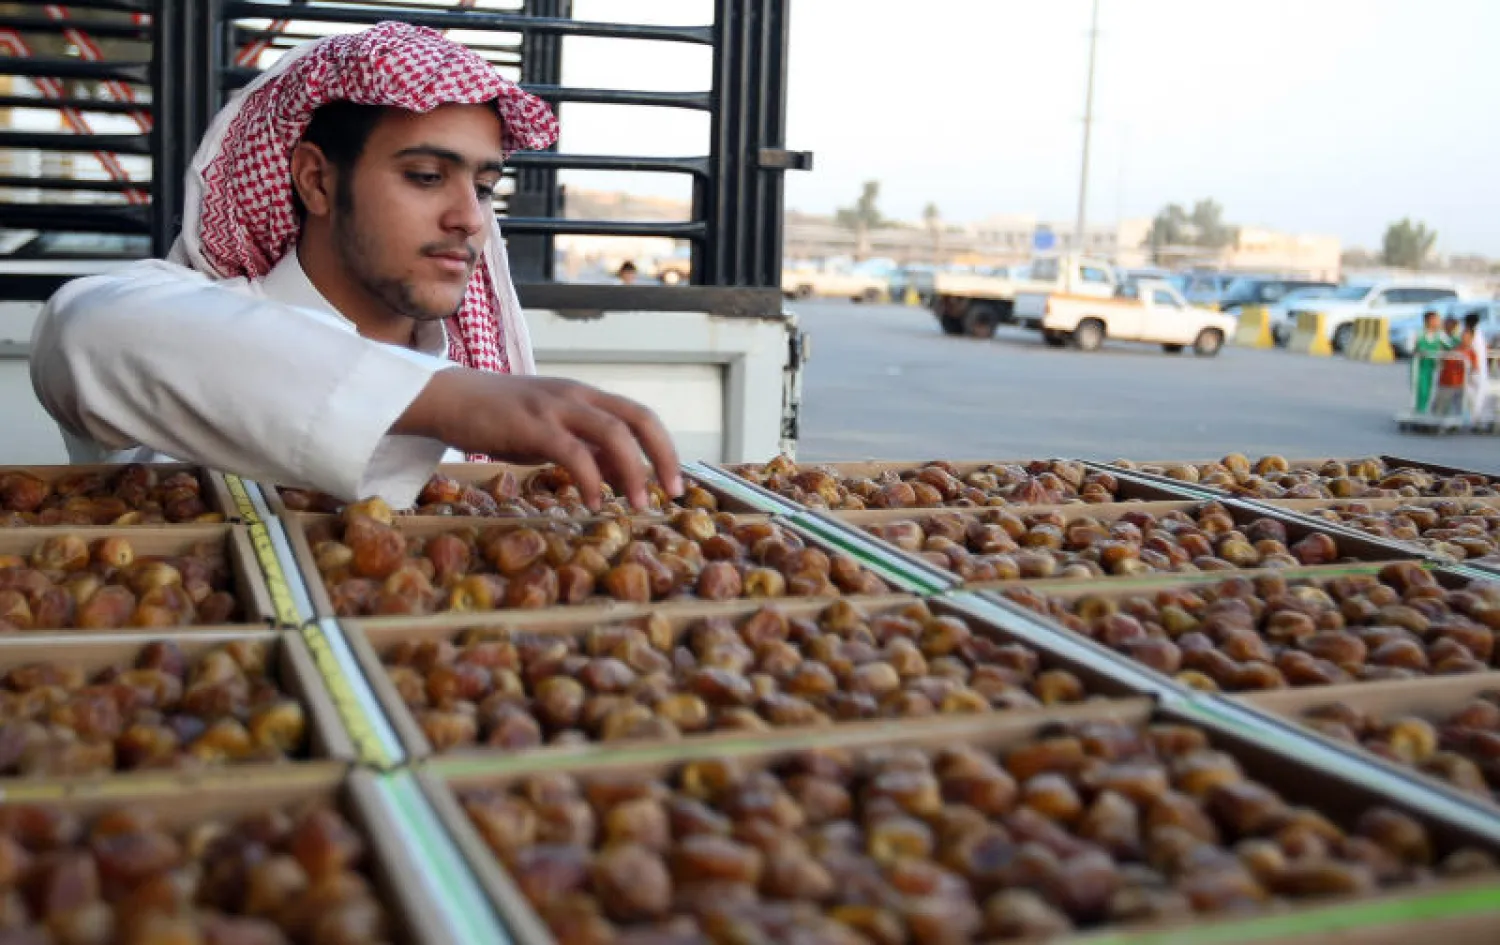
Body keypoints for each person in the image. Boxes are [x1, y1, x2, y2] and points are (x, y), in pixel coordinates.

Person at [30, 23, 679, 511]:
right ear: (315, 180)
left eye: (483, 186)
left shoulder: (501, 402)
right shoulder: (196, 336)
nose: (471, 218)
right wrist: (446, 400)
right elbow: (79, 330)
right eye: (426, 176)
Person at [1412, 309, 1452, 413]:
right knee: (1420, 391)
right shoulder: (1419, 334)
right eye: (1436, 319)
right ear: (1429, 321)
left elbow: (1451, 346)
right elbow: (1412, 348)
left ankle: (1430, 411)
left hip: (1433, 367)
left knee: (1432, 390)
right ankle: (1420, 411)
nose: (1439, 322)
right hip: (1420, 367)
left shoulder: (1440, 335)